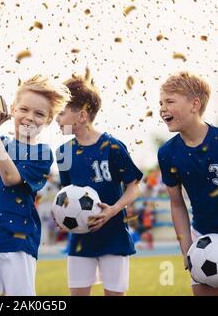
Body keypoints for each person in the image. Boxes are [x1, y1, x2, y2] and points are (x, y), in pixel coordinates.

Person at [0, 63, 70, 295]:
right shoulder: (0, 141)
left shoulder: (43, 153)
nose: (30, 118)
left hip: (18, 242)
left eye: (39, 114)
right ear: (13, 110)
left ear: (48, 121)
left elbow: (10, 177)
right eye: (24, 110)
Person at [55, 76, 142, 296]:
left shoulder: (112, 146)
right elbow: (65, 196)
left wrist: (113, 210)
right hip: (80, 240)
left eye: (62, 112)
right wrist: (61, 217)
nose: (57, 118)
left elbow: (134, 186)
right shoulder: (63, 153)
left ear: (82, 115)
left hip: (114, 238)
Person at [157, 71, 218, 296]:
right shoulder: (167, 153)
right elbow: (177, 204)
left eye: (170, 101)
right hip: (203, 237)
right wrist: (187, 247)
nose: (162, 108)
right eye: (161, 103)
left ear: (195, 104)